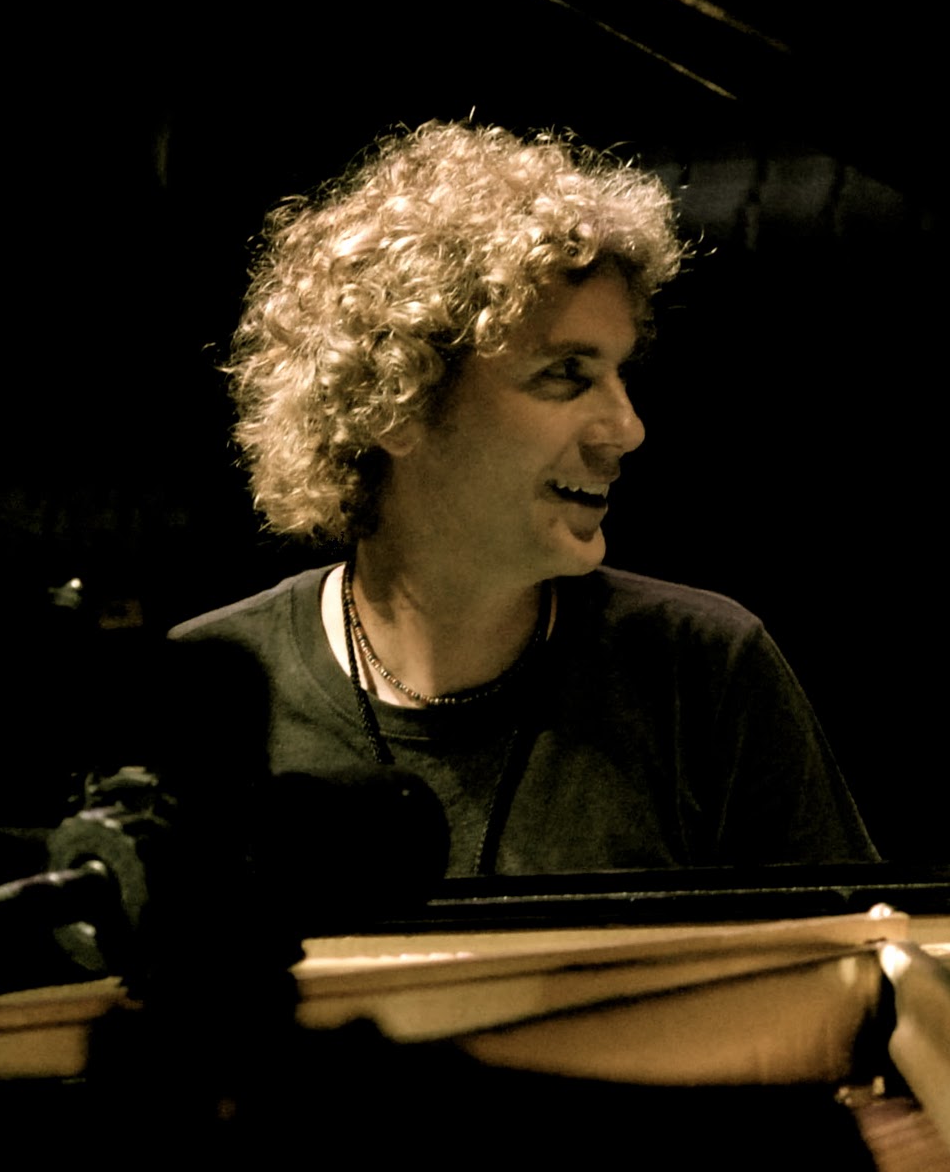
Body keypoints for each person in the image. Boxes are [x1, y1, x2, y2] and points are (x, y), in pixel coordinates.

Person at [172, 121, 875, 876]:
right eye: (566, 374)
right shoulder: (206, 692)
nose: (628, 429)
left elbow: (854, 949)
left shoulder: (702, 672)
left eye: (619, 373)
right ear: (396, 402)